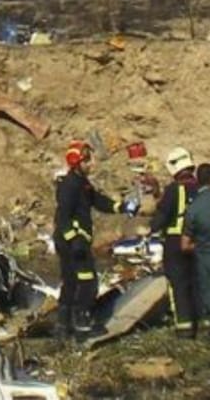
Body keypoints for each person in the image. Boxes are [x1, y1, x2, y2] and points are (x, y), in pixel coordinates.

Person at [53, 139, 139, 339]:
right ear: (77, 163)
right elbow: (62, 218)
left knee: (71, 282)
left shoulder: (82, 184)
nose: (91, 164)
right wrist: (74, 240)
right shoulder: (68, 186)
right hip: (72, 243)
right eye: (87, 161)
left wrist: (121, 206)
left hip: (76, 242)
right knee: (87, 282)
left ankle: (63, 325)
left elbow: (97, 200)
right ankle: (82, 322)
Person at [150, 147, 199, 337]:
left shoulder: (173, 190)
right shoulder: (201, 188)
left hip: (174, 243)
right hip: (197, 242)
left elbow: (162, 215)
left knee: (178, 285)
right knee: (197, 281)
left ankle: (184, 329)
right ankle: (203, 324)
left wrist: (151, 227)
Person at [180, 164, 210, 322]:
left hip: (204, 259)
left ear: (198, 181)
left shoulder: (193, 209)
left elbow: (185, 245)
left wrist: (200, 247)